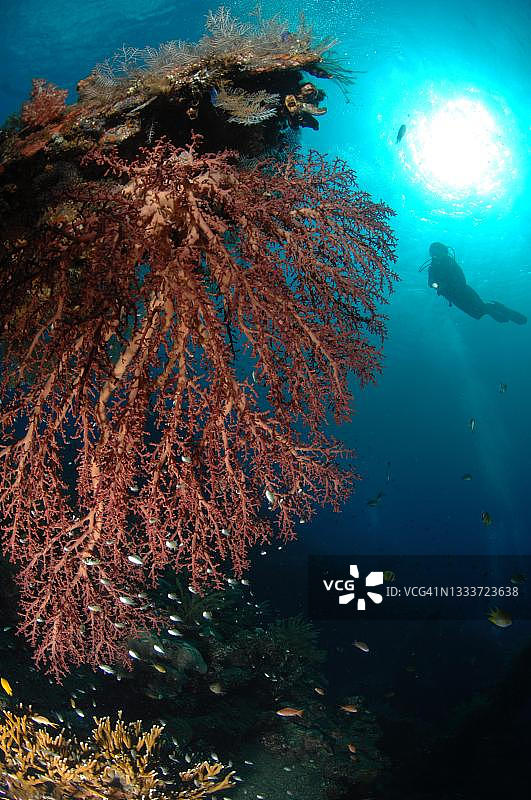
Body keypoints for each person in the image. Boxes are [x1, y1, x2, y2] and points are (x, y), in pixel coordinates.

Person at [420, 242, 527, 324]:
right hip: (451, 296)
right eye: (433, 253)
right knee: (476, 314)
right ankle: (494, 308)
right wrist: (437, 285)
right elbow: (430, 283)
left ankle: (497, 309)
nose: (435, 256)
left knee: (480, 308)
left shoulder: (450, 263)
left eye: (437, 253)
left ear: (444, 252)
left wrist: (446, 285)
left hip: (463, 291)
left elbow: (461, 279)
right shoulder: (432, 268)